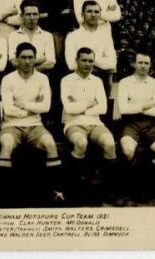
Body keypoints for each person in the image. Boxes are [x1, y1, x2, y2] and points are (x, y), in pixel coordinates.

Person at [0, 42, 64, 203]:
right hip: (11, 125)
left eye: (30, 57)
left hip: (35, 125)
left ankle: (56, 189)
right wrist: (34, 107)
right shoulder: (8, 79)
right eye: (23, 57)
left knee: (50, 143)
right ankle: (1, 190)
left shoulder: (42, 79)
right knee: (6, 144)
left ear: (35, 59)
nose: (27, 61)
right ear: (17, 59)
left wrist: (23, 105)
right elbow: (8, 109)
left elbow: (46, 106)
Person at [60, 47, 118, 204]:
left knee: (110, 143)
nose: (87, 64)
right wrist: (90, 103)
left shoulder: (98, 81)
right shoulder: (66, 80)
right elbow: (69, 109)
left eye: (90, 61)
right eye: (84, 60)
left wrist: (79, 105)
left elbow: (103, 108)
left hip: (95, 123)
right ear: (76, 61)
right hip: (73, 123)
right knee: (80, 143)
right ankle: (75, 189)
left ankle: (107, 191)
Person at [117, 51, 155, 196]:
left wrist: (134, 105)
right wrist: (147, 105)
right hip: (130, 124)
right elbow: (123, 109)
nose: (143, 66)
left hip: (150, 125)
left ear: (150, 65)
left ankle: (147, 183)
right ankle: (131, 186)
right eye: (140, 62)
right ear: (133, 64)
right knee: (128, 150)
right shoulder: (125, 82)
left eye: (146, 63)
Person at [32, 0, 72, 64]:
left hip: (60, 36)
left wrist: (46, 15)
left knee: (59, 65)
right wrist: (57, 14)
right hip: (40, 35)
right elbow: (35, 18)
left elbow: (67, 17)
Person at [65, 0, 116, 73]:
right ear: (82, 14)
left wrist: (83, 60)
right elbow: (71, 65)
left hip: (101, 78)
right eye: (89, 11)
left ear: (100, 15)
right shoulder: (72, 36)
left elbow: (111, 63)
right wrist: (101, 61)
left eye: (96, 12)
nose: (93, 15)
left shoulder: (105, 36)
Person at [7, 0, 56, 73]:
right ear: (22, 16)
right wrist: (42, 59)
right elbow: (14, 62)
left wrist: (30, 71)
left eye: (35, 14)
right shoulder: (13, 36)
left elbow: (50, 64)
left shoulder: (47, 36)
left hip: (40, 78)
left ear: (39, 15)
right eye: (28, 14)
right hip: (18, 78)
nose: (32, 18)